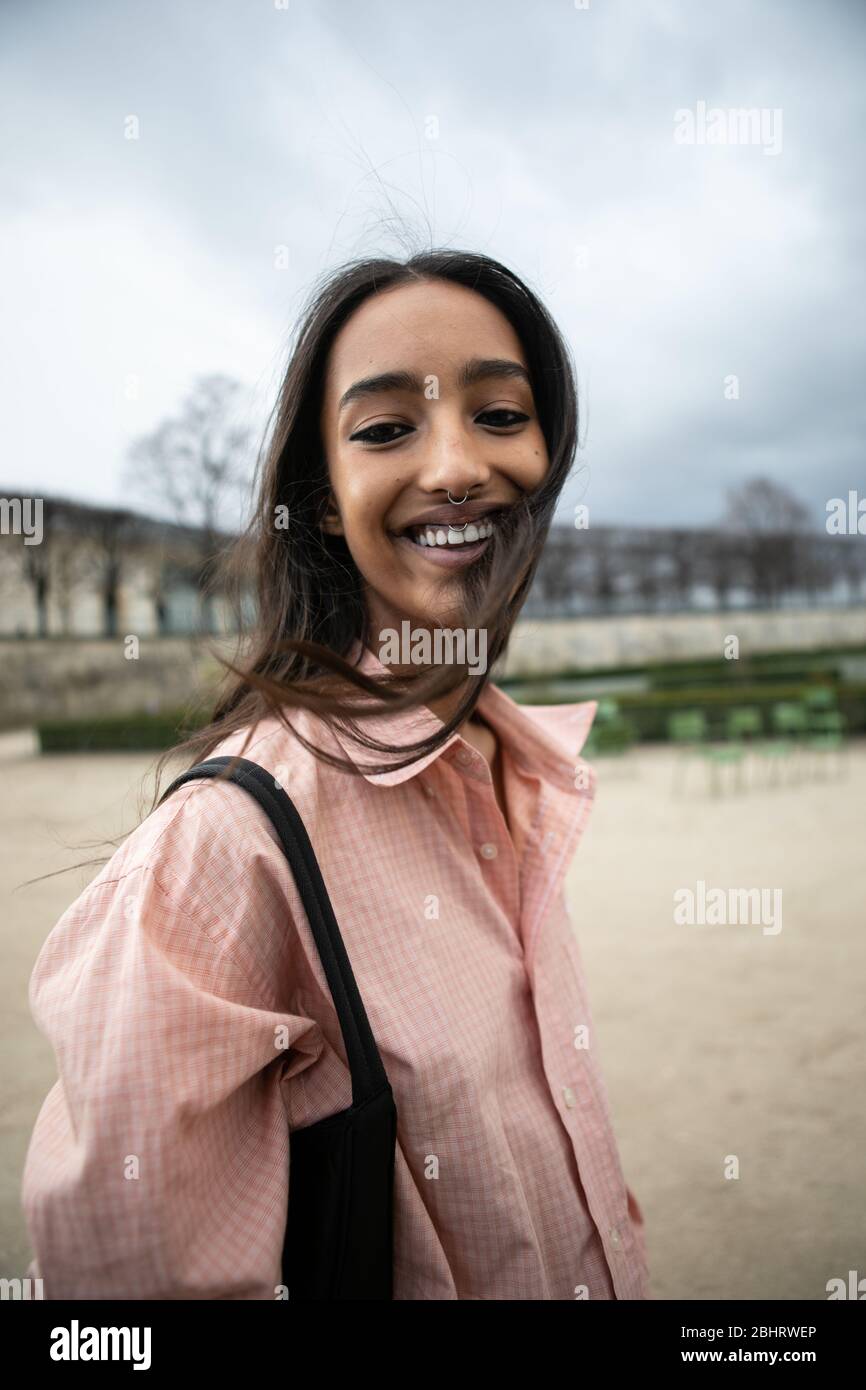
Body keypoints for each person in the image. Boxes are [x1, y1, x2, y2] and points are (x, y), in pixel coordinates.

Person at [21, 248, 649, 1299]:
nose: (456, 464)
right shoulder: (219, 853)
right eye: (385, 428)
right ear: (320, 501)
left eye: (500, 415)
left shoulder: (508, 765)